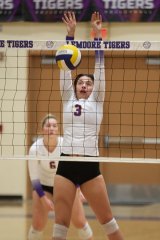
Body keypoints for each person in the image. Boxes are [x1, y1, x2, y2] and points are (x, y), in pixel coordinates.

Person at [52, 12, 124, 240]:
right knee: (60, 226)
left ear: (94, 88)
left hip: (89, 165)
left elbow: (100, 68)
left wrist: (97, 35)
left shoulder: (97, 100)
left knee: (108, 222)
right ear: (75, 87)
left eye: (88, 83)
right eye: (81, 82)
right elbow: (65, 67)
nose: (84, 85)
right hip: (66, 164)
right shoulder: (67, 98)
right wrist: (70, 36)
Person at [28, 114, 94, 240]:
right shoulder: (35, 149)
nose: (51, 128)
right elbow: (34, 178)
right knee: (38, 225)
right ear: (43, 129)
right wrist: (43, 199)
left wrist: (78, 188)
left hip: (66, 184)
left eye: (54, 126)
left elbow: (76, 168)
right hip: (43, 186)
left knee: (79, 221)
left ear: (58, 130)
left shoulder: (66, 144)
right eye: (48, 125)